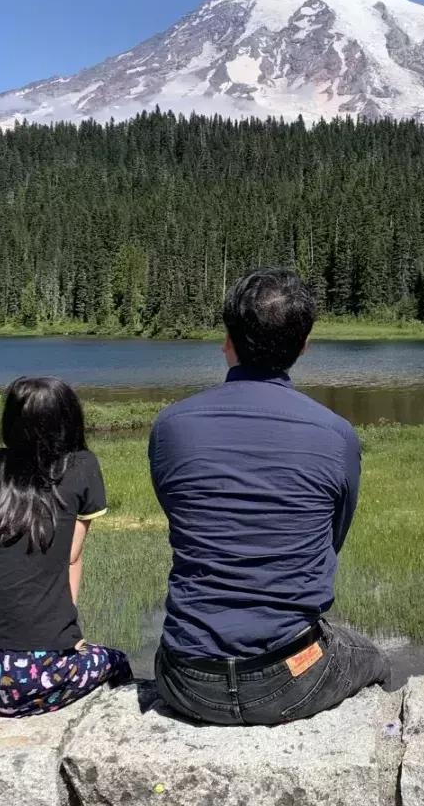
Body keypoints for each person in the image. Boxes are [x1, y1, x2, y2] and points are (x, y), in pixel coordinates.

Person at [148, 268, 390, 725]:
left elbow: (179, 513)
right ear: (304, 346)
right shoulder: (336, 434)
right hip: (292, 676)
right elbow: (331, 539)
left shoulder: (170, 427)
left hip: (185, 678)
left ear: (228, 341)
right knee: (374, 659)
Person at [0, 376, 131, 715]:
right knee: (115, 660)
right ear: (70, 418)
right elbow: (71, 557)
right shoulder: (82, 464)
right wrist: (71, 636)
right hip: (36, 677)